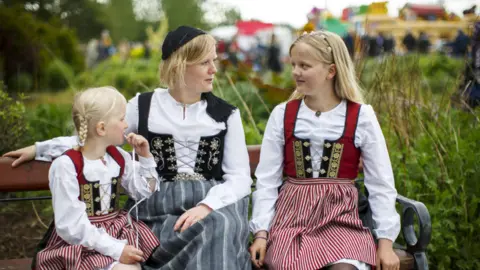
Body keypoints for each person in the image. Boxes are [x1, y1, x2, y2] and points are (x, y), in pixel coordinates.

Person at [3, 26, 252, 270]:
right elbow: (94, 137)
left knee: (217, 226)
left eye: (214, 61)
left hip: (210, 203)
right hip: (157, 207)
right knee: (182, 235)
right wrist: (40, 149)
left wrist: (206, 206)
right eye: (205, 63)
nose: (214, 70)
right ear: (180, 64)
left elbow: (239, 178)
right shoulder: (142, 106)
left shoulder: (226, 114)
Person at [248, 31, 400, 270]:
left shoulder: (360, 116)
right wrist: (261, 233)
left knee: (344, 268)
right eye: (294, 64)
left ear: (331, 71)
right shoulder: (283, 114)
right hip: (291, 221)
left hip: (341, 220)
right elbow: (267, 180)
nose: (296, 71)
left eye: (305, 65)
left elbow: (380, 182)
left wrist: (386, 242)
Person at [32, 86, 160, 270]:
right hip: (80, 243)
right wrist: (116, 249)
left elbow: (144, 191)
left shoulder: (117, 158)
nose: (126, 125)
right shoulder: (66, 166)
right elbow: (71, 226)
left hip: (117, 232)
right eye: (122, 119)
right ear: (101, 128)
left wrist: (146, 158)